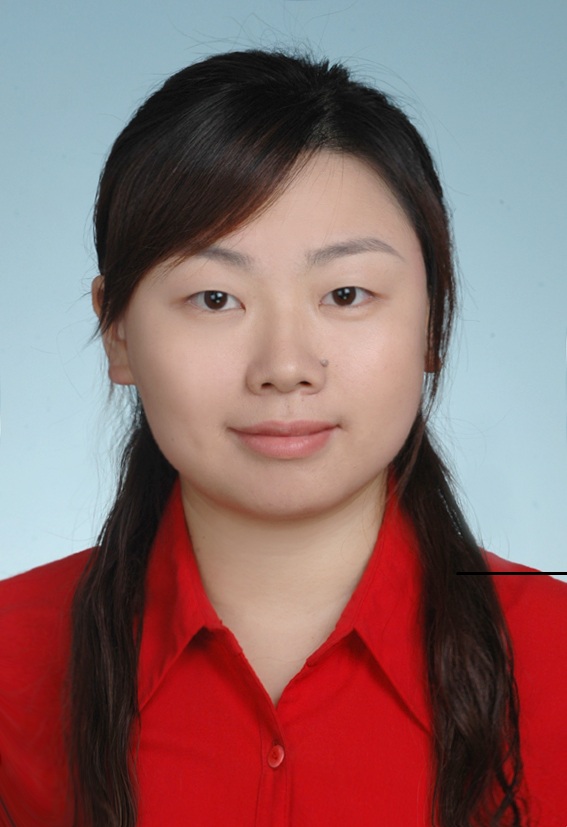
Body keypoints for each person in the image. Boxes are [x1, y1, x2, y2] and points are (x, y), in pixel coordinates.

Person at [0, 49, 565, 827]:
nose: (285, 366)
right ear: (118, 332)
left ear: (433, 323)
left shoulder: (553, 652)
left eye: (345, 293)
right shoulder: (12, 657)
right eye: (214, 298)